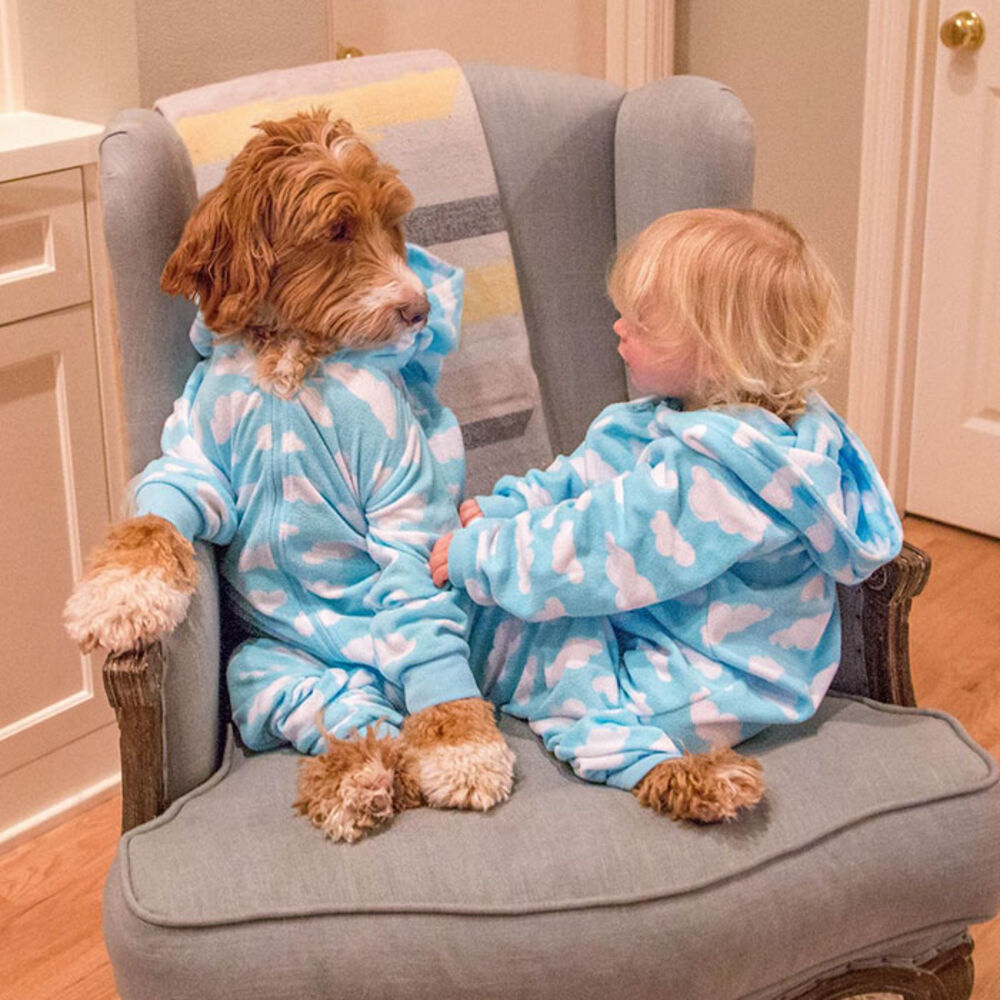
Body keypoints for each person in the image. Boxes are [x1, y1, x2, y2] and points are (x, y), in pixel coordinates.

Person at [429, 208, 903, 822]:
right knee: (510, 607)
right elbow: (591, 478)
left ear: (717, 351)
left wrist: (487, 556)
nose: (619, 327)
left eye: (644, 320)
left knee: (549, 653)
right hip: (669, 617)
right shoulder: (676, 415)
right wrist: (512, 508)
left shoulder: (721, 476)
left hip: (715, 675)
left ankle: (641, 760)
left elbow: (606, 543)